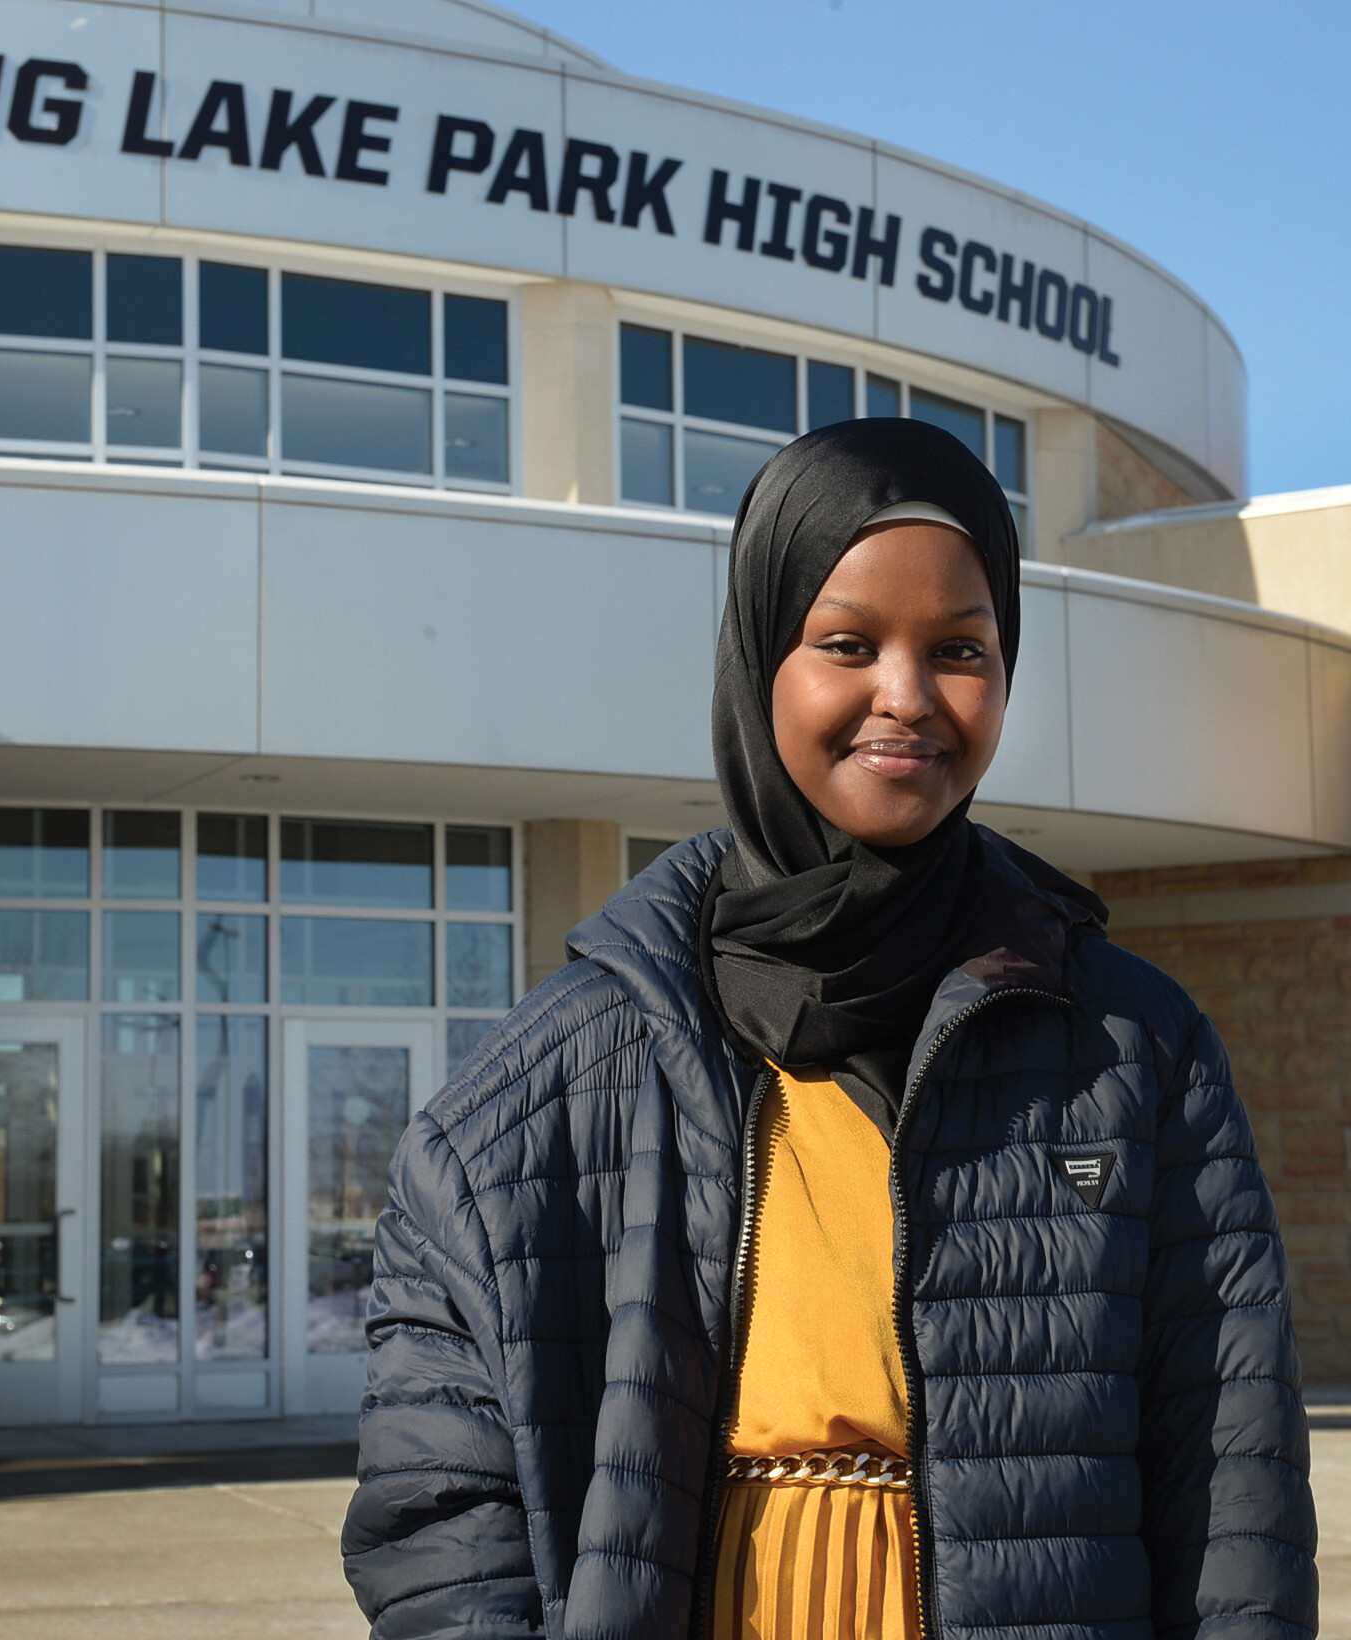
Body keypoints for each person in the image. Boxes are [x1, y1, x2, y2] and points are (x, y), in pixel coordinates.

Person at [340, 418, 1317, 1640]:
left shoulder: (1134, 1051)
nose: (905, 696)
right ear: (760, 659)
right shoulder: (534, 1092)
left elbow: (1235, 1492)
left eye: (960, 647)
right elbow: (438, 1516)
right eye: (847, 643)